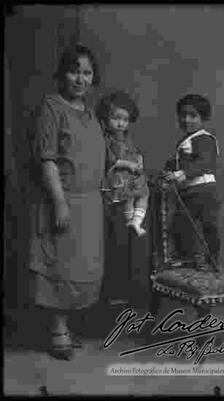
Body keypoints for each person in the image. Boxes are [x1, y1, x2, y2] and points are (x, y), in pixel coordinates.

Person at [28, 44, 105, 360]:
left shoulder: (89, 111)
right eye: (74, 71)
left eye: (87, 72)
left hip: (90, 204)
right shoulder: (51, 108)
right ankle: (56, 330)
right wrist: (59, 202)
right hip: (63, 199)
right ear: (61, 74)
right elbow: (46, 159)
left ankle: (67, 327)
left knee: (79, 267)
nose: (80, 78)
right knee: (59, 265)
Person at [162, 94, 221, 270]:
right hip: (187, 192)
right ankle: (188, 258)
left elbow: (204, 163)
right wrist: (168, 171)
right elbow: (177, 162)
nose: (186, 120)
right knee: (183, 225)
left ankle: (212, 260)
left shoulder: (205, 139)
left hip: (204, 191)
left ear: (204, 118)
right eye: (182, 115)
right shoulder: (184, 141)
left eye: (192, 116)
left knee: (208, 226)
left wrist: (179, 174)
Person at [96, 91, 149, 237]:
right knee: (128, 198)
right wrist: (128, 164)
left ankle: (136, 222)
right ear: (106, 118)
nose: (121, 124)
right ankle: (129, 221)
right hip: (118, 175)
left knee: (143, 195)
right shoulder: (107, 138)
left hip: (131, 175)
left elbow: (132, 151)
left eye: (125, 120)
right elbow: (109, 158)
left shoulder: (126, 137)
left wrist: (138, 159)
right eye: (115, 118)